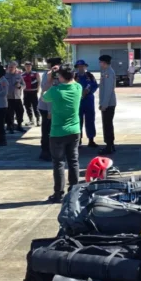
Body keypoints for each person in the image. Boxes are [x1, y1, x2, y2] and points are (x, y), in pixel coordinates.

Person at [42, 64, 82, 203]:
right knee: (73, 161)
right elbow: (73, 81)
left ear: (61, 77)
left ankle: (58, 193)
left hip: (58, 132)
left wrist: (49, 80)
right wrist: (63, 74)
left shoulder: (55, 90)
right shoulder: (78, 87)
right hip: (75, 130)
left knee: (59, 163)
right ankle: (75, 191)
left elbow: (44, 97)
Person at [38, 57, 62, 160]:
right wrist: (50, 111)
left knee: (49, 130)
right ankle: (46, 151)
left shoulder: (56, 74)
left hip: (51, 107)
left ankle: (48, 150)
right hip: (48, 107)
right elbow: (48, 93)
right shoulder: (50, 75)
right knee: (48, 130)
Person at [75, 60, 99, 148]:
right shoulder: (74, 77)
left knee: (90, 120)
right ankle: (78, 140)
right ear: (77, 67)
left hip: (89, 101)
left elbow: (95, 85)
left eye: (82, 66)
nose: (81, 68)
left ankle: (91, 140)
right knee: (78, 121)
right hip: (78, 101)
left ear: (85, 67)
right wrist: (79, 93)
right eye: (79, 66)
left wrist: (88, 91)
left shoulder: (90, 75)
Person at [98, 54, 118, 155]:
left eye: (101, 62)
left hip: (109, 103)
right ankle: (110, 144)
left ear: (104, 62)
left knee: (107, 125)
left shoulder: (109, 72)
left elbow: (108, 90)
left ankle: (109, 145)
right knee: (107, 124)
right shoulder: (105, 71)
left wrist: (104, 104)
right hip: (107, 103)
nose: (100, 64)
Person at [5, 61, 26, 134]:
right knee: (10, 113)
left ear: (15, 68)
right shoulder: (5, 76)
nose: (10, 69)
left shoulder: (19, 76)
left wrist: (20, 86)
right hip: (8, 97)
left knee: (20, 111)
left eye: (12, 67)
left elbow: (24, 85)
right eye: (9, 67)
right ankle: (10, 126)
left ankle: (19, 125)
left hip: (17, 97)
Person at [22, 61, 41, 126]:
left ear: (31, 67)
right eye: (26, 66)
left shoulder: (35, 73)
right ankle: (31, 120)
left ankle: (38, 120)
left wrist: (38, 88)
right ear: (24, 67)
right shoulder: (22, 74)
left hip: (33, 91)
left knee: (35, 106)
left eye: (29, 66)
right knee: (27, 107)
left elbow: (39, 81)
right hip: (26, 92)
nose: (28, 67)